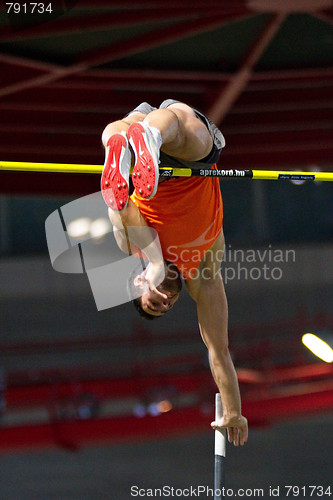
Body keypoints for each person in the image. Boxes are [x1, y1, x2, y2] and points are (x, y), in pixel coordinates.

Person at [101, 99, 248, 446]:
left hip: (143, 167)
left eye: (153, 303)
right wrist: (233, 410)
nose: (165, 302)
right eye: (166, 308)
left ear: (138, 283)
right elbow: (219, 350)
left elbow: (120, 205)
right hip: (187, 161)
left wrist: (154, 261)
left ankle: (124, 147)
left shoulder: (133, 247)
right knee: (187, 132)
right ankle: (146, 137)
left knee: (118, 134)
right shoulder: (202, 276)